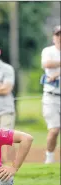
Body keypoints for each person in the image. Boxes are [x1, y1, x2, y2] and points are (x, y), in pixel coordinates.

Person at [41, 25, 60, 164]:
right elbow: (47, 64)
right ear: (54, 37)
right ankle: (49, 158)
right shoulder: (48, 51)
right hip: (51, 96)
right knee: (54, 130)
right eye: (57, 34)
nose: (60, 37)